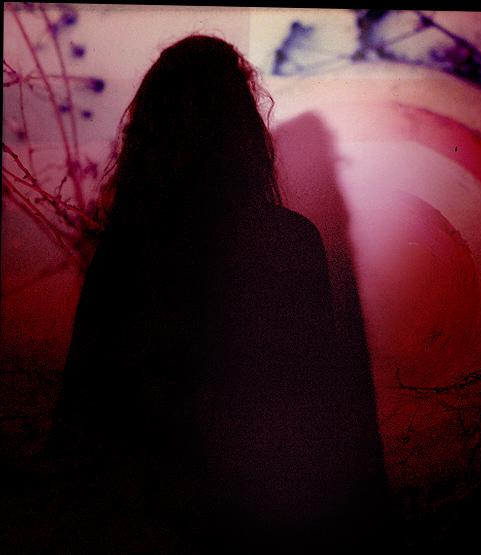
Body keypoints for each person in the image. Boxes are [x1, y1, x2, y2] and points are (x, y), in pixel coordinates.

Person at [45, 35, 399, 553]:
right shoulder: (290, 242)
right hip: (258, 524)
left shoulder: (125, 251)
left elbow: (81, 416)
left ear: (152, 129)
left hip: (148, 524)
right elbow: (322, 414)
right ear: (242, 128)